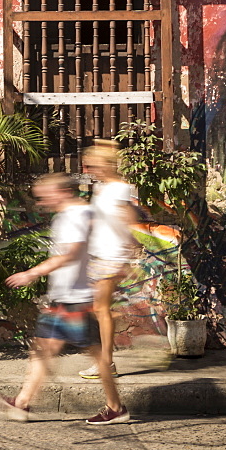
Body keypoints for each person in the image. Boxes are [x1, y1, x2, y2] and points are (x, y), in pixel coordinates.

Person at [0, 172, 129, 425]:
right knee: (42, 350)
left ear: (63, 192)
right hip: (62, 299)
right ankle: (22, 403)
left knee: (98, 357)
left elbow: (72, 254)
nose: (42, 203)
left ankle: (116, 408)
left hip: (77, 300)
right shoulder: (72, 215)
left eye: (46, 196)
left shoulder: (77, 215)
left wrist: (32, 273)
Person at [78, 139, 139, 381]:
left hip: (111, 254)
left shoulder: (121, 188)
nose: (91, 169)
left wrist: (127, 252)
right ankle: (105, 358)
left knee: (101, 310)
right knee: (99, 309)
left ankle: (106, 363)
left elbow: (129, 219)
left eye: (94, 165)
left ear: (106, 165)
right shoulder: (101, 189)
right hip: (99, 253)